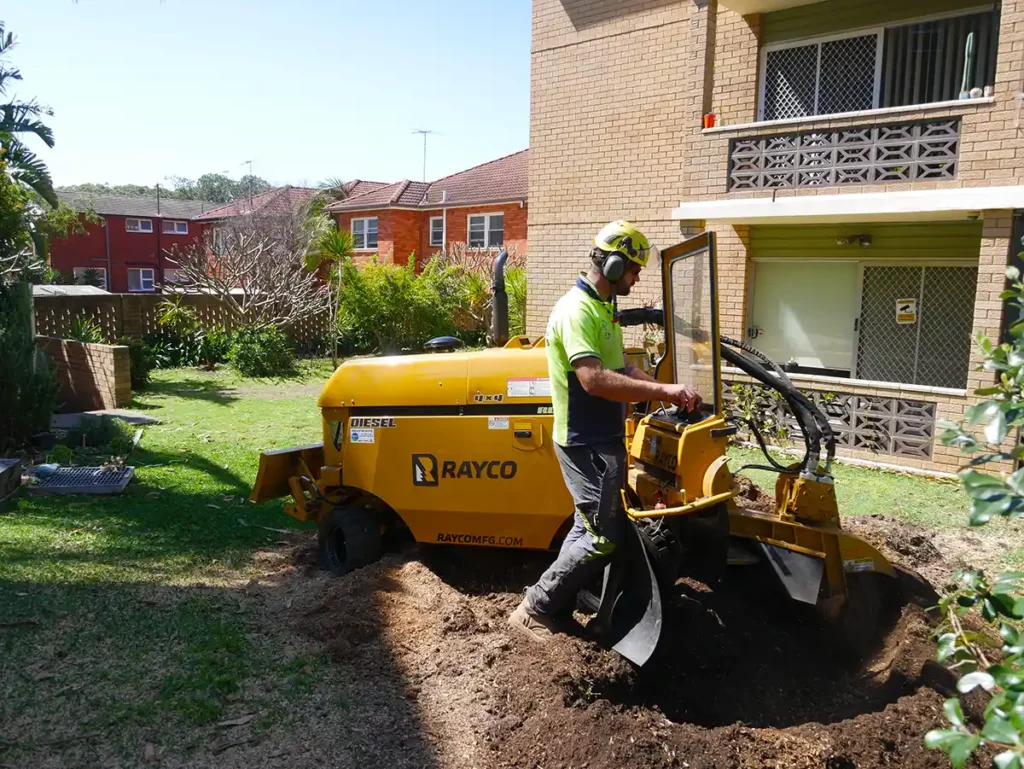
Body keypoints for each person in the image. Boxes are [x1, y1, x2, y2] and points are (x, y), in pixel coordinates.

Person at [508, 220, 701, 643]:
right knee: (600, 537)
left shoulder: (602, 310)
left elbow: (620, 369)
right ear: (614, 266)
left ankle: (553, 603)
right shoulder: (577, 311)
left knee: (586, 527)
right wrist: (661, 388)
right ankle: (535, 609)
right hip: (585, 440)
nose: (635, 279)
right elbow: (593, 379)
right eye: (633, 270)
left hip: (601, 439)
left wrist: (661, 387)